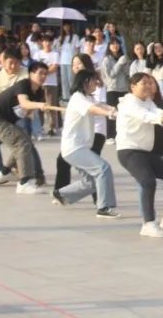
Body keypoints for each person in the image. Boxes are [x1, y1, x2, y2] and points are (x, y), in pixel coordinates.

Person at [117, 72, 163, 237]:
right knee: (147, 181)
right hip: (129, 151)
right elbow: (146, 116)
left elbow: (158, 112)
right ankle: (148, 224)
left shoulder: (148, 102)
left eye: (150, 83)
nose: (148, 86)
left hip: (145, 152)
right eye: (144, 83)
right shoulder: (129, 103)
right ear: (133, 87)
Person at [53, 69, 121, 218]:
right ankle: (104, 208)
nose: (96, 82)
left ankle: (62, 194)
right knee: (103, 168)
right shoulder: (78, 98)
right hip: (74, 148)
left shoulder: (87, 97)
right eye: (94, 80)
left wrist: (112, 109)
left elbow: (99, 105)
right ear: (85, 82)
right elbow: (93, 109)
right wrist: (110, 113)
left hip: (80, 148)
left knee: (90, 182)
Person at [0, 61, 59, 194]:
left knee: (25, 143)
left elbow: (27, 112)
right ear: (31, 74)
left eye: (45, 74)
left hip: (8, 121)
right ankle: (25, 182)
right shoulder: (23, 84)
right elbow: (24, 103)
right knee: (22, 144)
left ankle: (4, 173)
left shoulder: (39, 92)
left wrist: (38, 108)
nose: (43, 76)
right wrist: (39, 105)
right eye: (40, 73)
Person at [99, 39, 130, 143]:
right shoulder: (107, 59)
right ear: (109, 46)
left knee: (123, 113)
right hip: (112, 89)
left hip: (124, 88)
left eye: (117, 43)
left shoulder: (124, 57)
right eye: (112, 44)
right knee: (112, 113)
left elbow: (128, 73)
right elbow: (111, 75)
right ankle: (110, 136)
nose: (115, 45)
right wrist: (120, 63)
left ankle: (121, 135)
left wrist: (125, 65)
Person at [56, 22, 80, 101]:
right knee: (64, 80)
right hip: (62, 61)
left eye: (67, 26)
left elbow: (77, 49)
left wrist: (76, 61)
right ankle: (65, 97)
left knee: (71, 80)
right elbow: (58, 50)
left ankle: (73, 96)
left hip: (71, 61)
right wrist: (59, 41)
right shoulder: (60, 37)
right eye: (64, 26)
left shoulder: (75, 37)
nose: (66, 27)